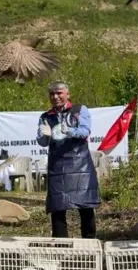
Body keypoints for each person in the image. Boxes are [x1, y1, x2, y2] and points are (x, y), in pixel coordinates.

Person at [36, 81, 99, 239]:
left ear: (67, 94)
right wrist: (44, 135)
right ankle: (61, 246)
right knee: (57, 208)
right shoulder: (45, 117)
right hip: (57, 165)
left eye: (59, 93)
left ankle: (90, 243)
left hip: (80, 164)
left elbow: (85, 132)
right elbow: (42, 143)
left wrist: (69, 131)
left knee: (85, 206)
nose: (55, 97)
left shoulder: (79, 110)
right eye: (52, 94)